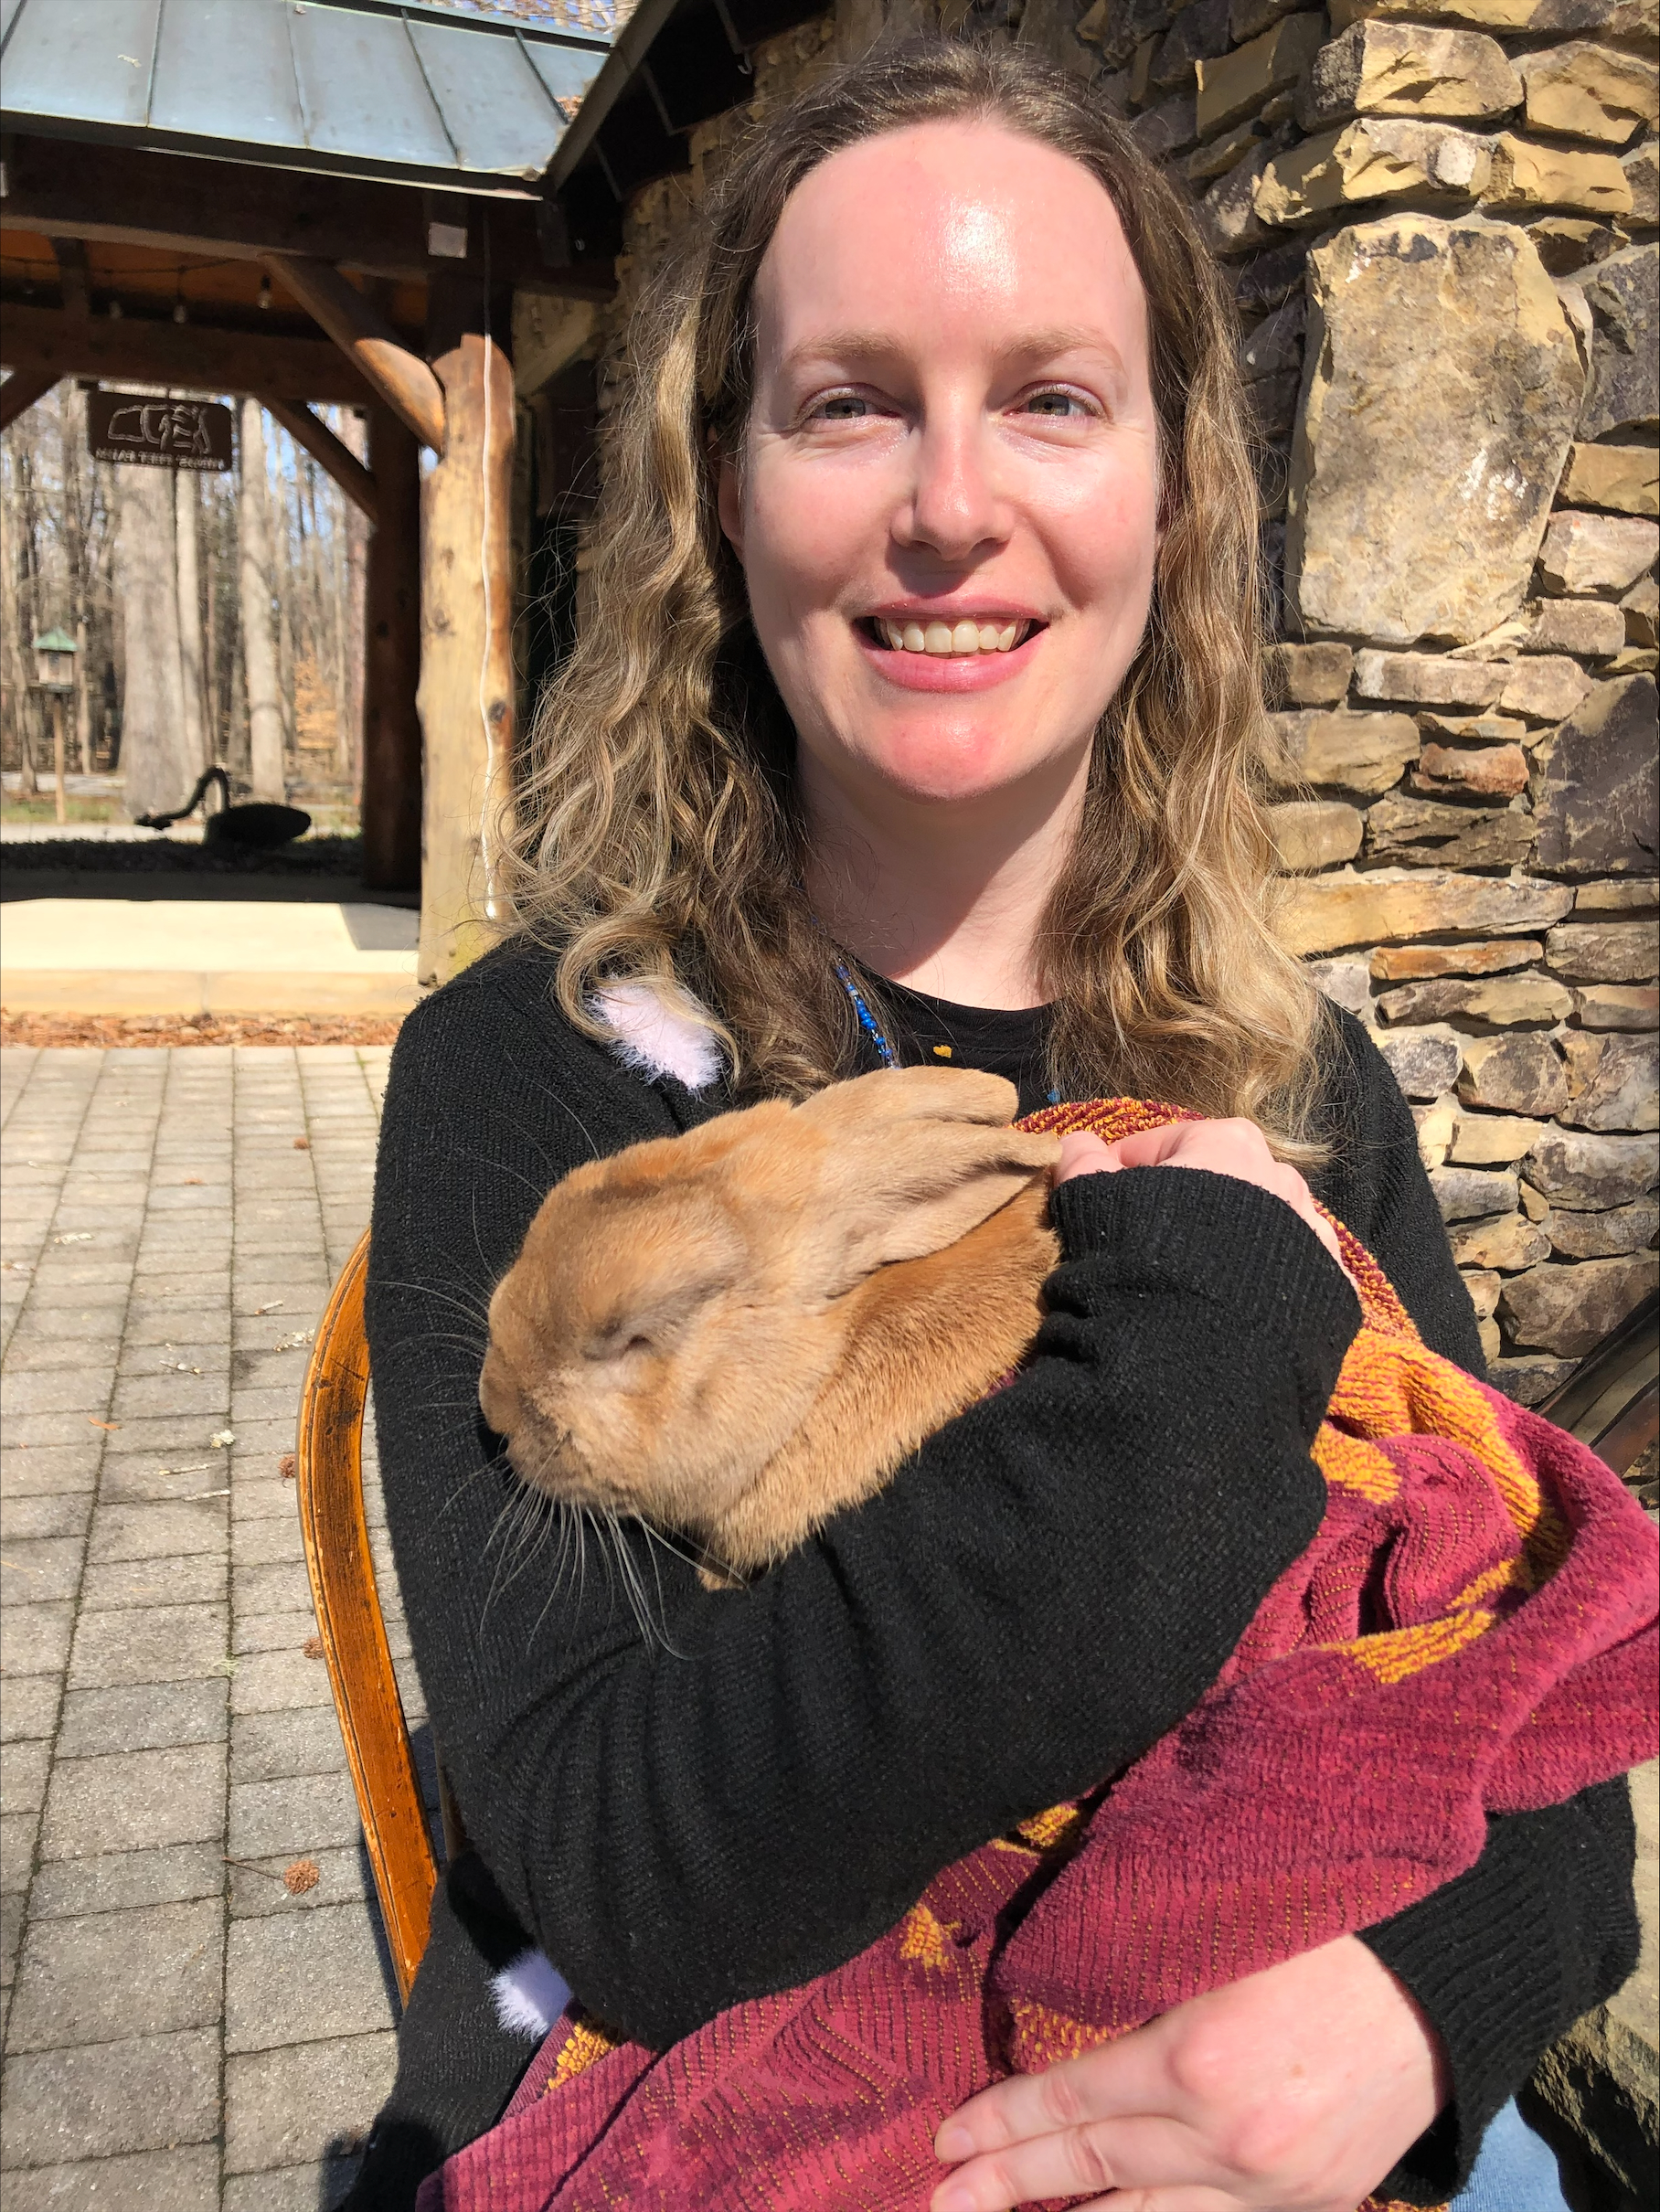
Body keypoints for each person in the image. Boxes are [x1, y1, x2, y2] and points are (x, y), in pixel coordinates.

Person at [348, 38, 1637, 2212]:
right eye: (849, 400)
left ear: (1168, 491)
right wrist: (1206, 1313)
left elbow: (1546, 1675)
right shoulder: (540, 1070)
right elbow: (633, 1857)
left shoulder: (1295, 1075)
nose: (952, 505)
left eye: (1048, 397)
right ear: (721, 484)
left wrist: (1412, 2002)